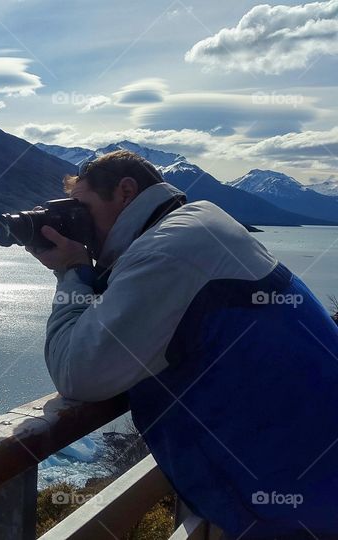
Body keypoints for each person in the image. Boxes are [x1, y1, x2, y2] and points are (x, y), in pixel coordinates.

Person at [25, 150, 338, 538]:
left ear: (125, 192)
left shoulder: (165, 252)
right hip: (308, 479)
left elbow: (77, 373)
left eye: (84, 208)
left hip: (300, 506)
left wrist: (72, 272)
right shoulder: (198, 224)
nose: (78, 222)